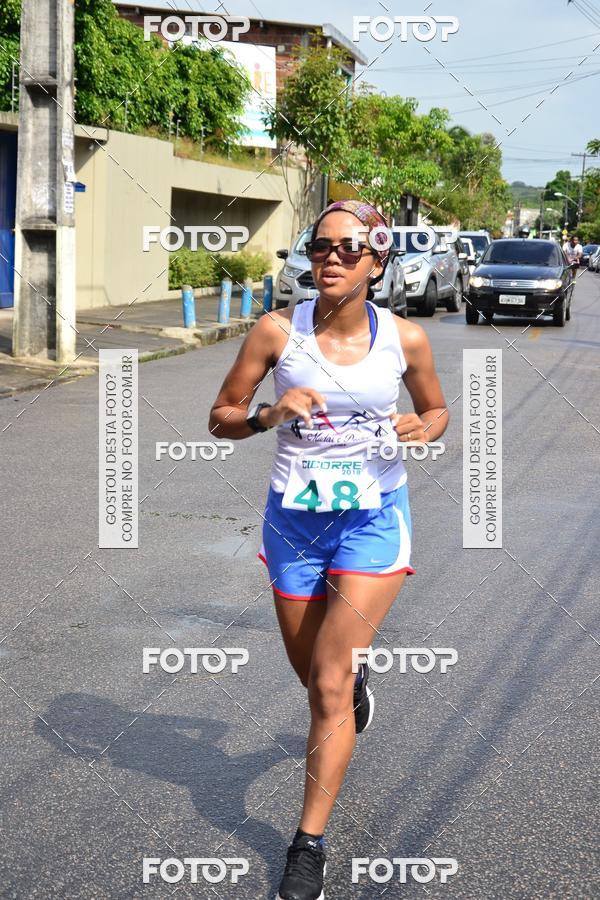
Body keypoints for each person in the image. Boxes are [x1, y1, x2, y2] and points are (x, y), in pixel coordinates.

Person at [209, 199, 448, 900]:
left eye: (348, 249)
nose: (331, 259)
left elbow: (436, 411)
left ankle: (306, 842)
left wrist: (423, 429)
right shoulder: (276, 332)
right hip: (293, 524)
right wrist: (267, 416)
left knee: (330, 685)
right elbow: (221, 418)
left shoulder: (404, 340)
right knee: (316, 679)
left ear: (377, 260)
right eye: (319, 249)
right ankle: (351, 689)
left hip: (372, 521)